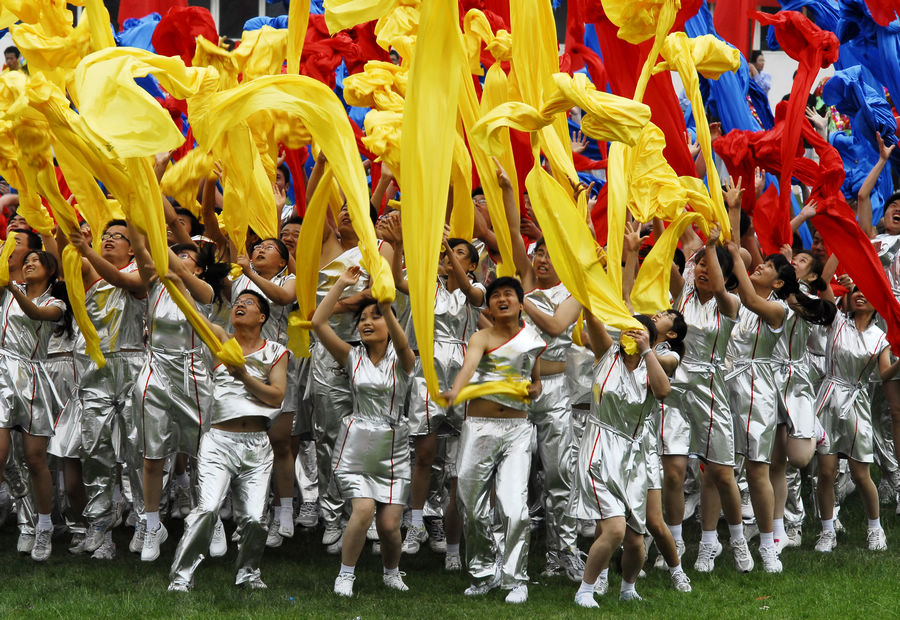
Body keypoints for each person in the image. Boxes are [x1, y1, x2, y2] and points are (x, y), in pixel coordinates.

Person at [168, 288, 288, 591]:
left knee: (255, 519)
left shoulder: (275, 351)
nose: (240, 306)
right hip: (219, 441)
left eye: (248, 303)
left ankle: (248, 573)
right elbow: (193, 314)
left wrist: (244, 375)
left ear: (262, 317)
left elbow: (276, 397)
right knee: (207, 510)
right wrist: (174, 277)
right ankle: (181, 577)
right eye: (237, 303)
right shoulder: (221, 340)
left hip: (257, 444)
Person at [383, 215, 484, 568]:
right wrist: (396, 246)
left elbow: (473, 295)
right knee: (425, 454)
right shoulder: (427, 285)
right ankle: (415, 524)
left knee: (455, 462)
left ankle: (446, 530)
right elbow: (396, 281)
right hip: (427, 372)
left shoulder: (478, 289)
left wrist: (446, 246)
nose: (447, 258)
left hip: (462, 376)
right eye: (446, 253)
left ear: (471, 264)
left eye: (458, 254)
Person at [501, 162, 584, 581]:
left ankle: (560, 556)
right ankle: (508, 557)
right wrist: (506, 191)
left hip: (555, 392)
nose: (542, 259)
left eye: (551, 253)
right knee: (513, 477)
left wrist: (520, 299)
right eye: (539, 254)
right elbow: (515, 236)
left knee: (558, 477)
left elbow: (554, 327)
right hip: (518, 390)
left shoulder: (572, 293)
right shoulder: (528, 280)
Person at [311, 266, 416, 597]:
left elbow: (402, 345)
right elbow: (317, 323)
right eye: (363, 319)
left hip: (393, 446)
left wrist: (386, 304)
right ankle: (346, 574)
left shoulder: (403, 359)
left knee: (388, 525)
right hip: (356, 443)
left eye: (376, 317)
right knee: (363, 509)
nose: (367, 323)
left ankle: (392, 572)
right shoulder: (351, 355)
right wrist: (342, 283)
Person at [442, 276, 545, 605]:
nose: (502, 299)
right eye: (496, 296)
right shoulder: (481, 337)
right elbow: (468, 368)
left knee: (514, 507)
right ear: (489, 306)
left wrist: (534, 389)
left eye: (508, 295)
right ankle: (484, 572)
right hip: (479, 428)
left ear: (520, 303)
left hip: (517, 431)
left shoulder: (532, 339)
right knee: (471, 507)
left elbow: (537, 381)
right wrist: (455, 392)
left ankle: (516, 579)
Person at [663, 224, 754, 574]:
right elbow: (663, 261)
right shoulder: (681, 294)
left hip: (711, 390)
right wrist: (662, 216)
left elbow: (717, 285)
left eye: (709, 263)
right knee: (672, 472)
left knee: (720, 474)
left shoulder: (728, 303)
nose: (702, 268)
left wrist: (714, 245)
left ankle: (732, 541)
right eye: (698, 262)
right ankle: (674, 544)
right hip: (675, 388)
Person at [129, 233, 224, 562]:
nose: (176, 260)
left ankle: (209, 517)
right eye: (174, 255)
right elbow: (141, 247)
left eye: (187, 258)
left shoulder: (202, 291)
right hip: (155, 372)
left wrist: (175, 267)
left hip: (193, 375)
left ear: (198, 269)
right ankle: (153, 523)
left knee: (202, 454)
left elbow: (194, 285)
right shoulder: (154, 286)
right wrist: (138, 215)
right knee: (152, 456)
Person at [570, 313, 671, 606]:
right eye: (629, 331)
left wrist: (647, 351)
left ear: (650, 339)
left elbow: (663, 391)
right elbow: (592, 319)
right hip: (599, 448)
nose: (632, 335)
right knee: (614, 529)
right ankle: (585, 591)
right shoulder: (607, 353)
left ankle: (628, 590)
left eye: (640, 333)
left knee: (636, 542)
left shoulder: (652, 364)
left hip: (633, 456)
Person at [66, 220, 148, 556]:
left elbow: (122, 281)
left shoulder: (141, 270)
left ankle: (146, 519)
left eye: (118, 237)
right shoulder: (88, 269)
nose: (109, 241)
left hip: (130, 364)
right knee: (95, 448)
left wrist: (87, 249)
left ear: (132, 247)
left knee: (137, 450)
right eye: (106, 237)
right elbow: (65, 250)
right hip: (94, 368)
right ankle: (100, 523)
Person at [813, 287, 900, 553]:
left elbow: (884, 373)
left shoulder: (880, 338)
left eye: (867, 291)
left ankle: (875, 528)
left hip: (856, 403)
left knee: (861, 473)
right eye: (856, 291)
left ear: (878, 306)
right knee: (825, 472)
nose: (861, 294)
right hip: (828, 399)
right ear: (848, 298)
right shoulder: (836, 320)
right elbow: (825, 286)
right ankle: (827, 530)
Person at [0, 249, 68, 561]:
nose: (28, 263)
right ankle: (18, 497)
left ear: (51, 271)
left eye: (35, 261)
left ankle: (43, 527)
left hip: (33, 377)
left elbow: (36, 315)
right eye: (25, 260)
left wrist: (12, 287)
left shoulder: (56, 303)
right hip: (2, 372)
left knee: (36, 459)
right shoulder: (7, 290)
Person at [231, 237, 297, 547]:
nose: (259, 250)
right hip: (243, 368)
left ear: (283, 261)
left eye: (269, 248)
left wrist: (250, 273)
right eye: (258, 247)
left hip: (277, 365)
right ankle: (250, 514)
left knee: (280, 443)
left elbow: (283, 298)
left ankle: (284, 510)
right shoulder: (238, 278)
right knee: (246, 445)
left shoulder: (290, 279)